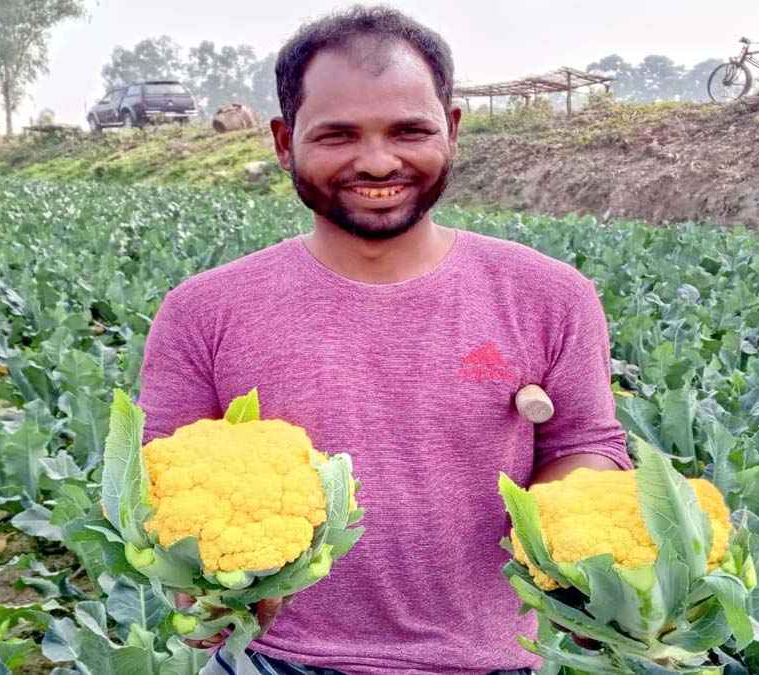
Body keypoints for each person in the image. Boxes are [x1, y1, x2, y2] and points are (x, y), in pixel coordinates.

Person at [138, 6, 630, 674]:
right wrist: (205, 581)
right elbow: (160, 489)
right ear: (284, 141)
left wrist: (574, 537)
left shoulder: (548, 295)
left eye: (410, 130)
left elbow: (585, 444)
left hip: (496, 658)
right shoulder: (203, 311)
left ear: (451, 131)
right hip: (271, 660)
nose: (377, 161)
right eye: (338, 135)